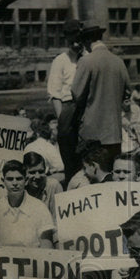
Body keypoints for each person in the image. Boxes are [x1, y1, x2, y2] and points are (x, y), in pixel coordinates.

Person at [71, 21, 130, 173]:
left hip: (92, 133)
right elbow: (126, 94)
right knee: (111, 173)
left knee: (93, 174)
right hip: (114, 132)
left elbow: (76, 94)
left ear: (87, 41)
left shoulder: (87, 61)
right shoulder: (119, 62)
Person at [0, 160, 55, 248]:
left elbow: (47, 250)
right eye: (10, 179)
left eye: (19, 179)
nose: (15, 183)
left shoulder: (40, 208)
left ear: (26, 180)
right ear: (3, 181)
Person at [48, 19, 85, 181]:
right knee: (69, 152)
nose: (76, 44)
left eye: (79, 39)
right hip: (68, 107)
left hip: (87, 107)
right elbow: (54, 93)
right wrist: (62, 119)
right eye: (72, 40)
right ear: (67, 40)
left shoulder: (89, 58)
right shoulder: (60, 60)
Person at [23, 151, 62, 222]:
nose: (37, 176)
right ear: (25, 173)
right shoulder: (20, 189)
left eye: (41, 172)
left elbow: (59, 220)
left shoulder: (53, 186)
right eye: (32, 172)